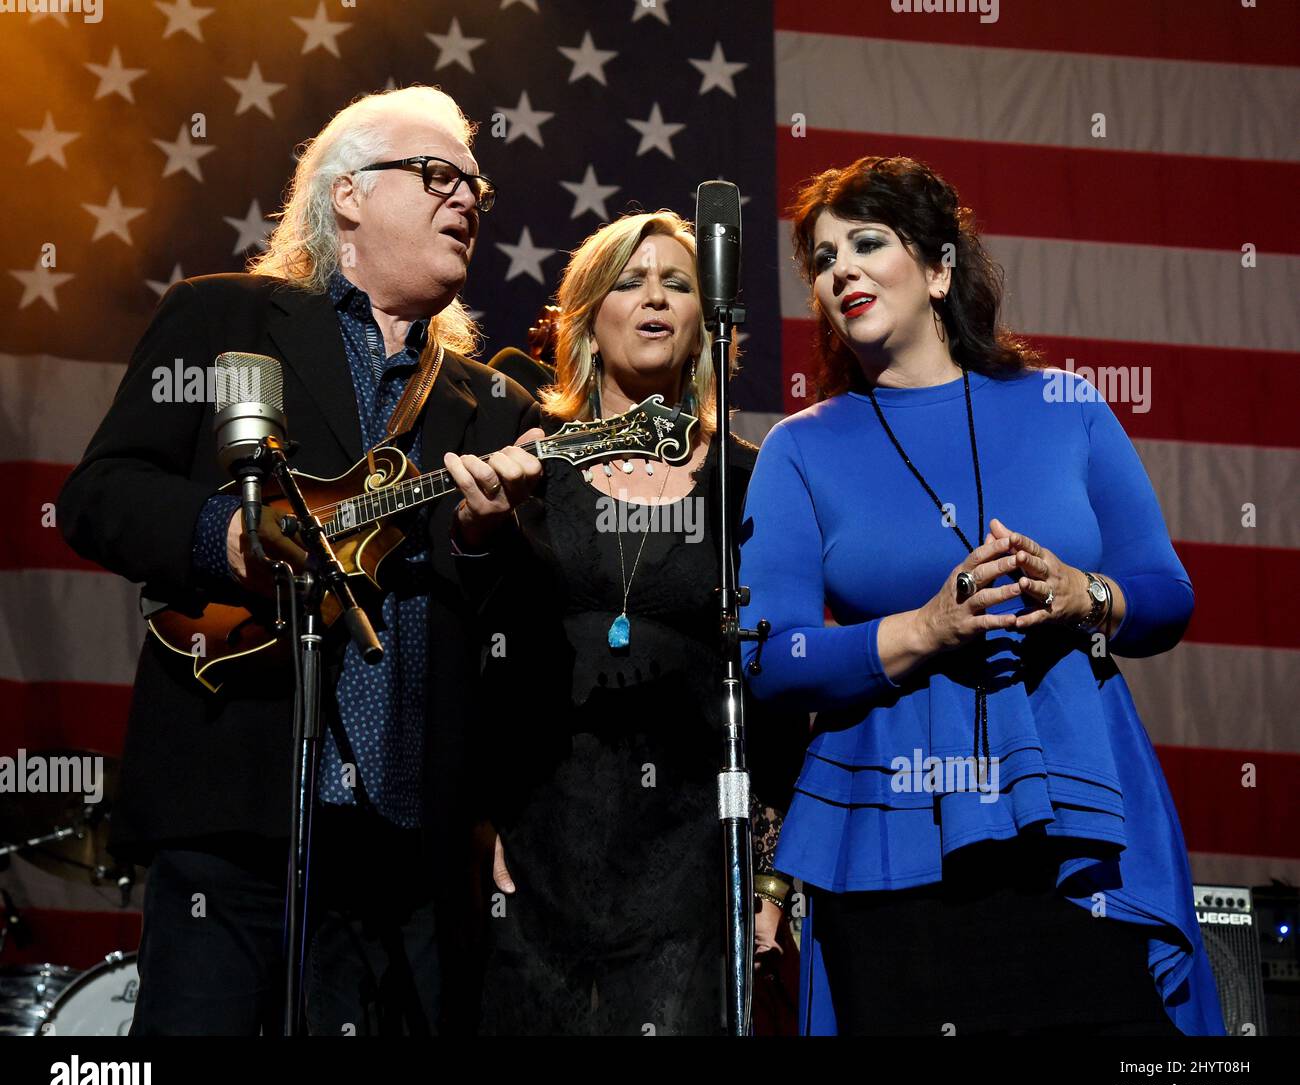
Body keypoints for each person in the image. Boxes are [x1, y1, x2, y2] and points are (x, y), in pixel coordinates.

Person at [57, 85, 543, 1035]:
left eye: (477, 185)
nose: (469, 199)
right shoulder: (222, 320)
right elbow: (98, 495)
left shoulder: (490, 406)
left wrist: (487, 542)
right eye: (438, 173)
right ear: (348, 194)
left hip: (409, 849)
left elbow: (512, 634)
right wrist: (222, 535)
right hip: (238, 818)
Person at [738, 156, 1225, 1036]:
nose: (838, 268)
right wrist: (925, 629)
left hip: (1079, 814)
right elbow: (768, 657)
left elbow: (1167, 597)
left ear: (937, 267)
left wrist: (1086, 593)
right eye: (821, 257)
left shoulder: (1067, 405)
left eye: (865, 242)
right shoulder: (798, 449)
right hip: (889, 833)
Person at [447, 211, 802, 1035]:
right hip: (541, 841)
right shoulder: (531, 458)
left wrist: (771, 881)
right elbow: (476, 647)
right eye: (629, 281)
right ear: (587, 318)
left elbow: (777, 690)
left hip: (693, 852)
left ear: (706, 321)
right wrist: (481, 818)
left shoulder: (752, 477)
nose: (654, 299)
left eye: (677, 283)